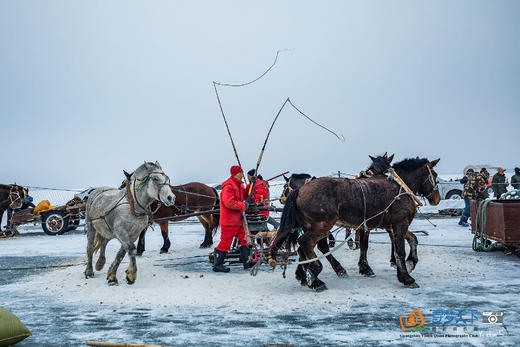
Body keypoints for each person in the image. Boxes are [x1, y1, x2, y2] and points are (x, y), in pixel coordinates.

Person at [213, 166, 255, 273]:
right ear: (236, 173)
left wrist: (251, 184)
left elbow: (246, 193)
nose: (242, 174)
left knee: (247, 238)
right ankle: (217, 265)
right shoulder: (228, 187)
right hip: (229, 221)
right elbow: (229, 202)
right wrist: (244, 205)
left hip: (239, 221)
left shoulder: (238, 186)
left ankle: (248, 261)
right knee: (225, 243)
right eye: (241, 172)